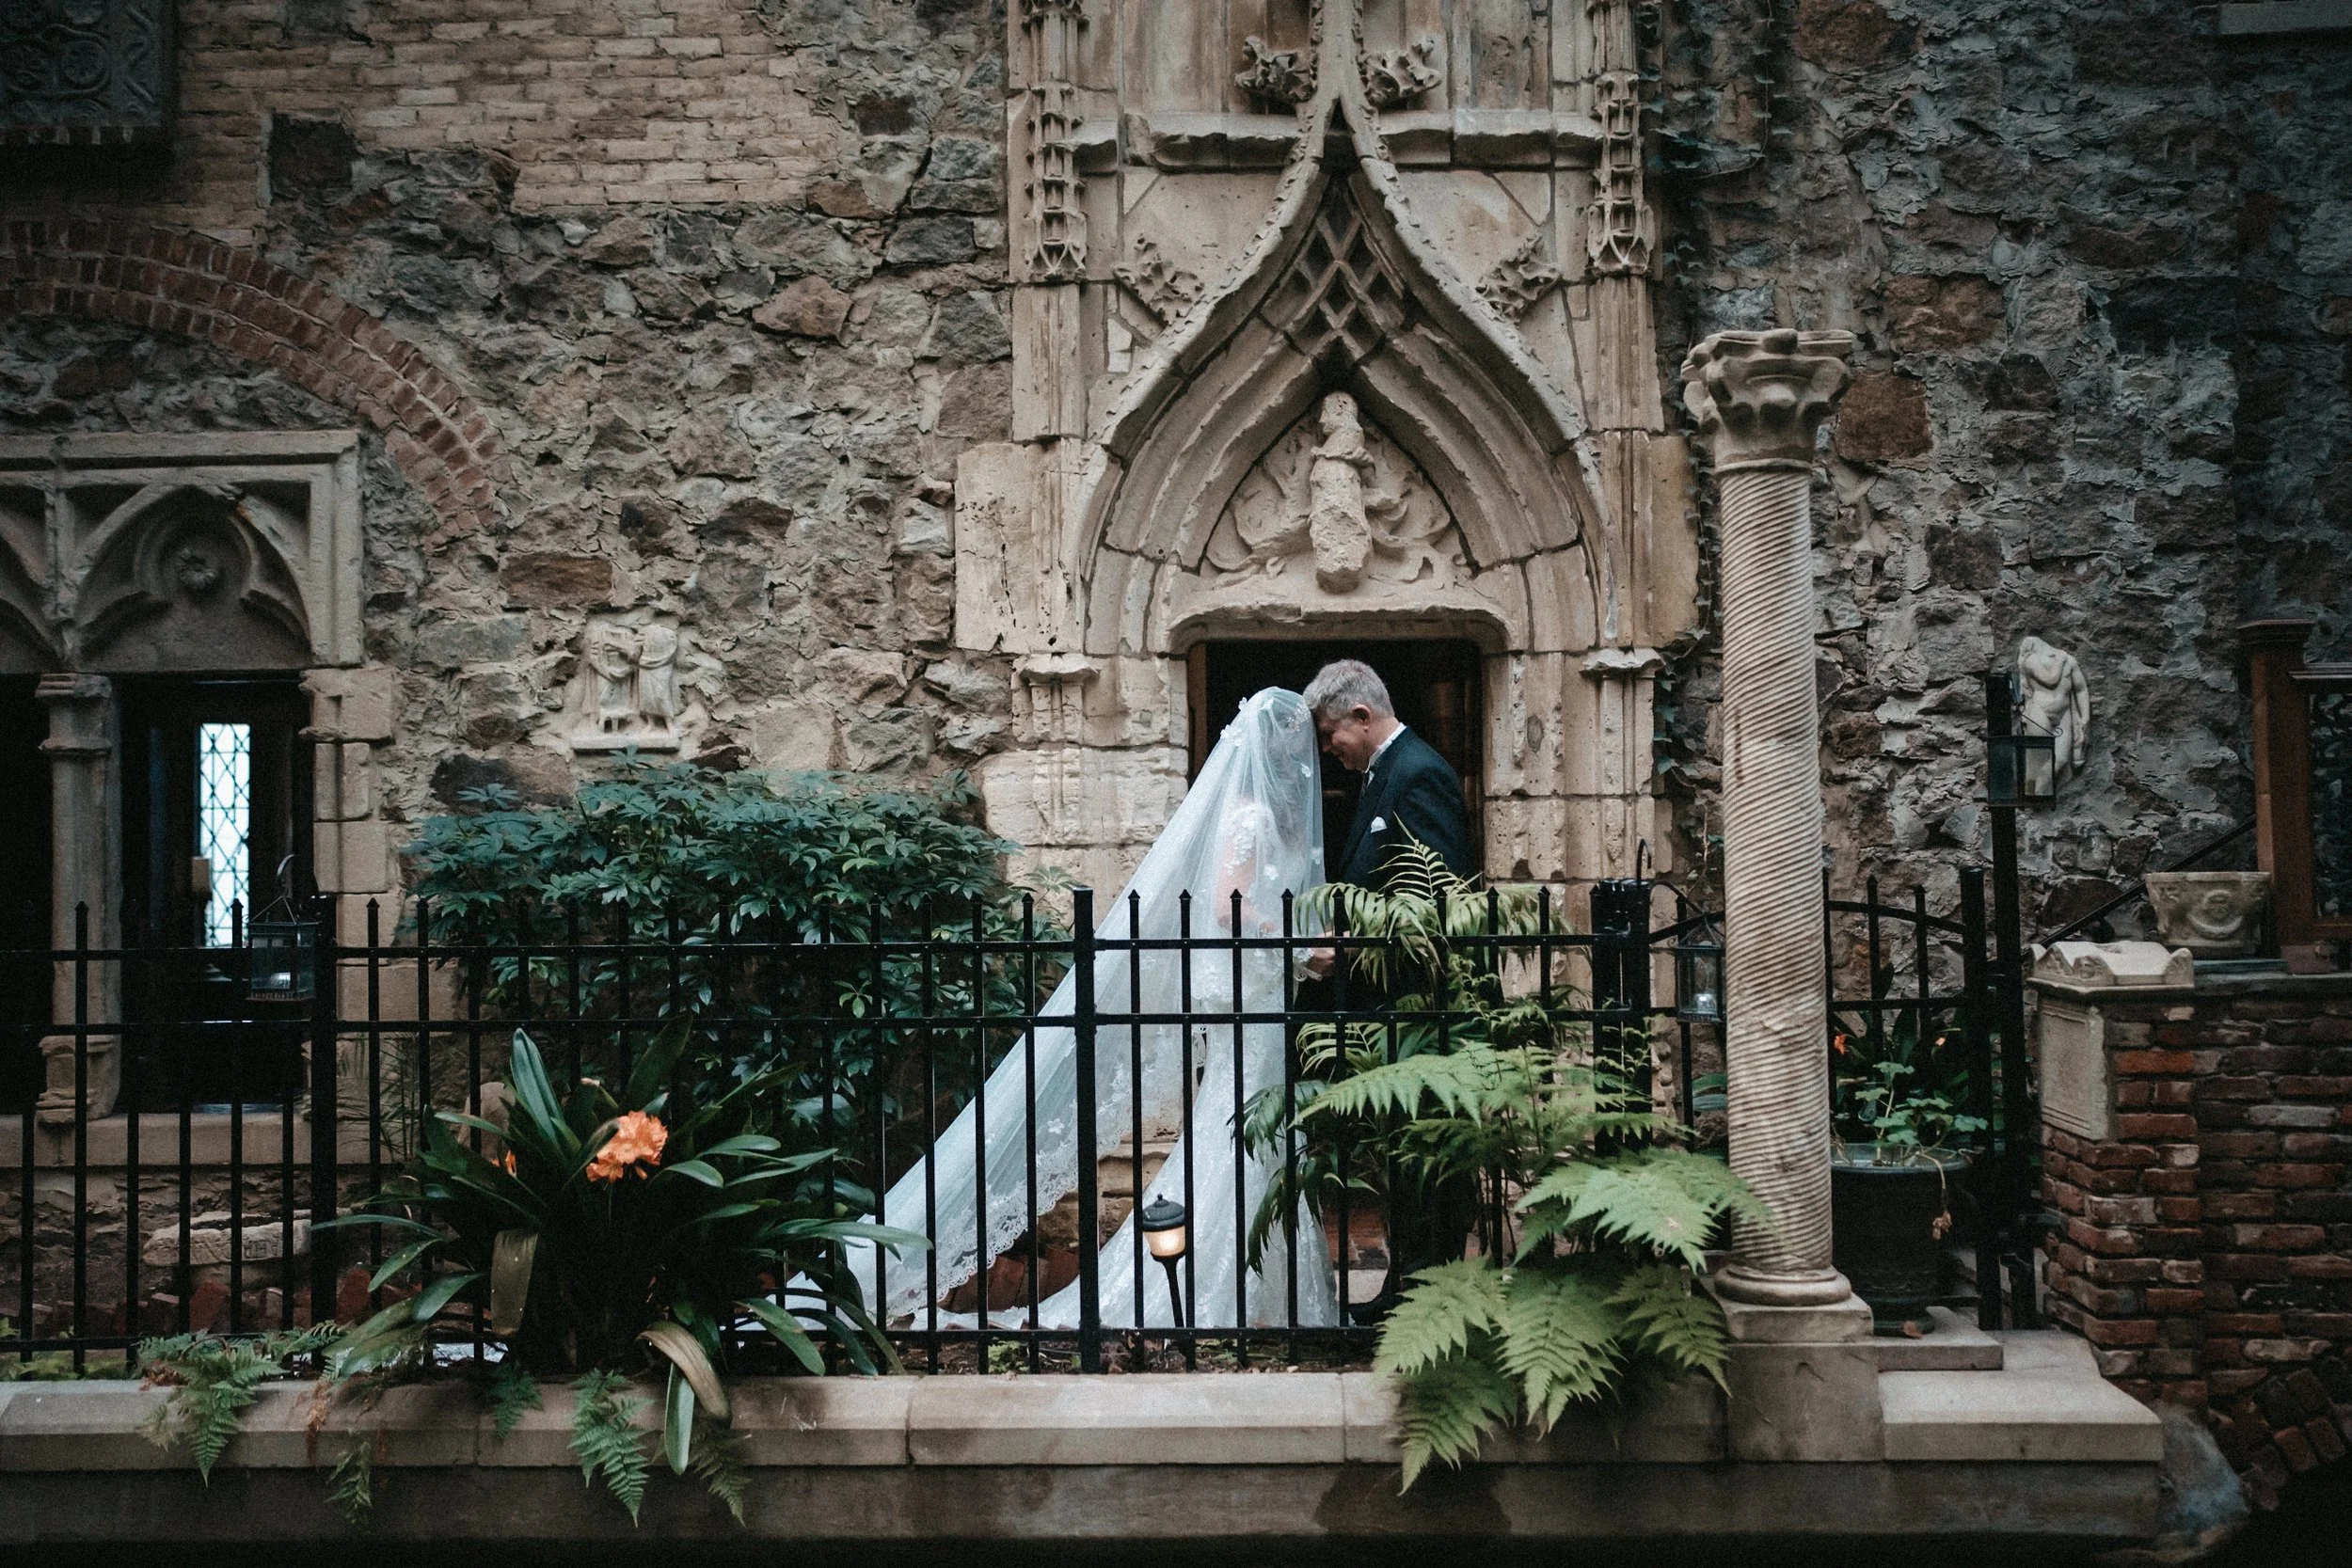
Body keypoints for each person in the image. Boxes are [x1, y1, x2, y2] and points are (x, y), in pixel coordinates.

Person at [838, 688, 1340, 1332]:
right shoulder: (1250, 817)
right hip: (1253, 998)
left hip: (1264, 997)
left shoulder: (1263, 815)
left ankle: (1262, 1285)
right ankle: (1219, 1287)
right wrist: (1298, 944)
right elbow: (1227, 906)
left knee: (1251, 1129)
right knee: (1237, 1128)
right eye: (1301, 743)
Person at [1298, 658, 1479, 1319]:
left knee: (1426, 1163)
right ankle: (1408, 1287)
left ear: (1362, 716)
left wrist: (1341, 954)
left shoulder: (1419, 773)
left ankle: (1427, 1297)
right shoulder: (1382, 776)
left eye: (1330, 734)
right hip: (1388, 1012)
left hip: (1418, 1009)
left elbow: (1430, 905)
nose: (1328, 750)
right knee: (1403, 1161)